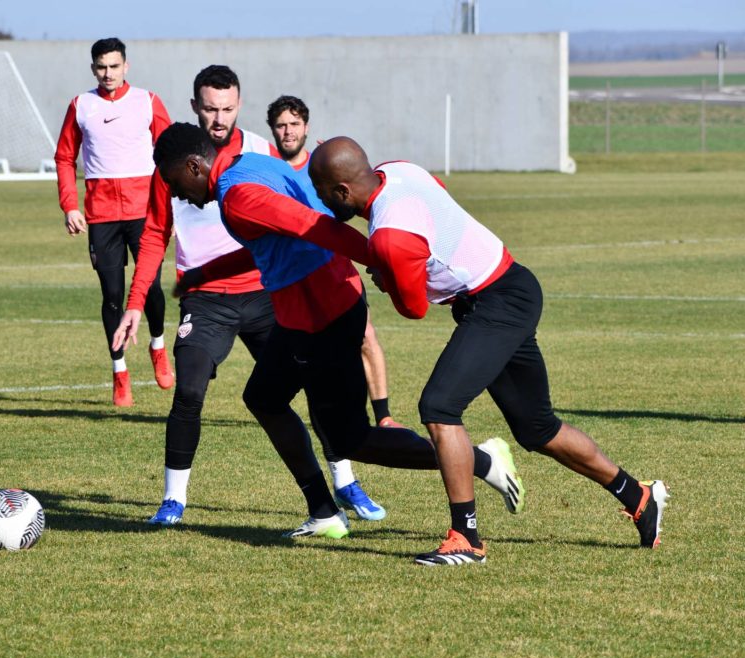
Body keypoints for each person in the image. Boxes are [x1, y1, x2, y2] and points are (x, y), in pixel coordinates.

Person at [116, 121, 525, 543]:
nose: (175, 193)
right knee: (263, 398)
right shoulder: (251, 166)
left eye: (173, 181)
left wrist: (385, 260)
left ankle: (480, 461)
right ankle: (323, 511)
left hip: (323, 317)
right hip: (307, 315)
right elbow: (277, 238)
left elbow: (315, 226)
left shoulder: (237, 196)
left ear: (194, 166)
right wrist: (207, 272)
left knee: (352, 439)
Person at [308, 136, 669, 565]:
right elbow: (438, 195)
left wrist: (390, 276)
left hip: (497, 302)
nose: (319, 197)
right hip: (508, 286)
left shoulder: (389, 236)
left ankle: (467, 538)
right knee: (538, 429)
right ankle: (639, 496)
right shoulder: (399, 168)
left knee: (439, 407)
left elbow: (413, 309)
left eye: (321, 189)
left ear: (343, 191)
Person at [115, 66, 385, 527]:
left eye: (227, 108)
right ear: (195, 107)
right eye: (210, 108)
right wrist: (143, 299)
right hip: (214, 301)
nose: (218, 117)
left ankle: (350, 483)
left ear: (238, 106)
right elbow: (157, 233)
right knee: (207, 392)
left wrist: (377, 258)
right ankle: (176, 501)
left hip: (280, 299)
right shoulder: (183, 162)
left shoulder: (251, 162)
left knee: (328, 415)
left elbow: (308, 219)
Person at [265, 95, 401, 429]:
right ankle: (339, 420)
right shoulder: (269, 172)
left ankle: (384, 417)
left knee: (367, 338)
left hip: (339, 274)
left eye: (294, 124)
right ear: (272, 130)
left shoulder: (324, 167)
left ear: (306, 127)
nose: (288, 131)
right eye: (281, 125)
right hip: (297, 284)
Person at [54, 37, 174, 408]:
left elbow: (170, 152)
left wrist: (173, 205)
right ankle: (119, 371)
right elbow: (64, 157)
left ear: (126, 66)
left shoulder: (147, 101)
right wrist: (70, 205)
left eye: (114, 66)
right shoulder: (81, 105)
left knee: (150, 286)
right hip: (102, 215)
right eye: (101, 67)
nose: (108, 73)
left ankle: (157, 345)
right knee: (111, 296)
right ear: (93, 69)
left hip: (145, 212)